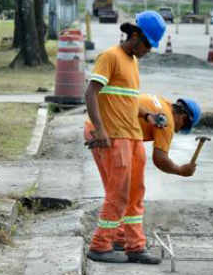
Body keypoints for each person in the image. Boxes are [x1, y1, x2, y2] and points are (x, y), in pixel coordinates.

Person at [85, 10, 167, 264]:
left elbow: (127, 101)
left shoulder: (133, 62)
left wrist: (148, 116)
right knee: (118, 193)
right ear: (134, 35)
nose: (148, 50)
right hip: (115, 137)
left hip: (133, 137)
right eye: (147, 45)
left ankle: (134, 246)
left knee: (135, 194)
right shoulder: (109, 57)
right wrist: (100, 130)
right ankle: (100, 245)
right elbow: (91, 93)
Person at [84, 94, 202, 260]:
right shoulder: (166, 120)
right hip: (110, 134)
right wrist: (181, 171)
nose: (177, 130)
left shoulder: (162, 103)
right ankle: (102, 245)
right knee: (123, 192)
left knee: (124, 190)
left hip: (99, 129)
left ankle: (121, 238)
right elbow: (160, 160)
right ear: (182, 117)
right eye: (181, 127)